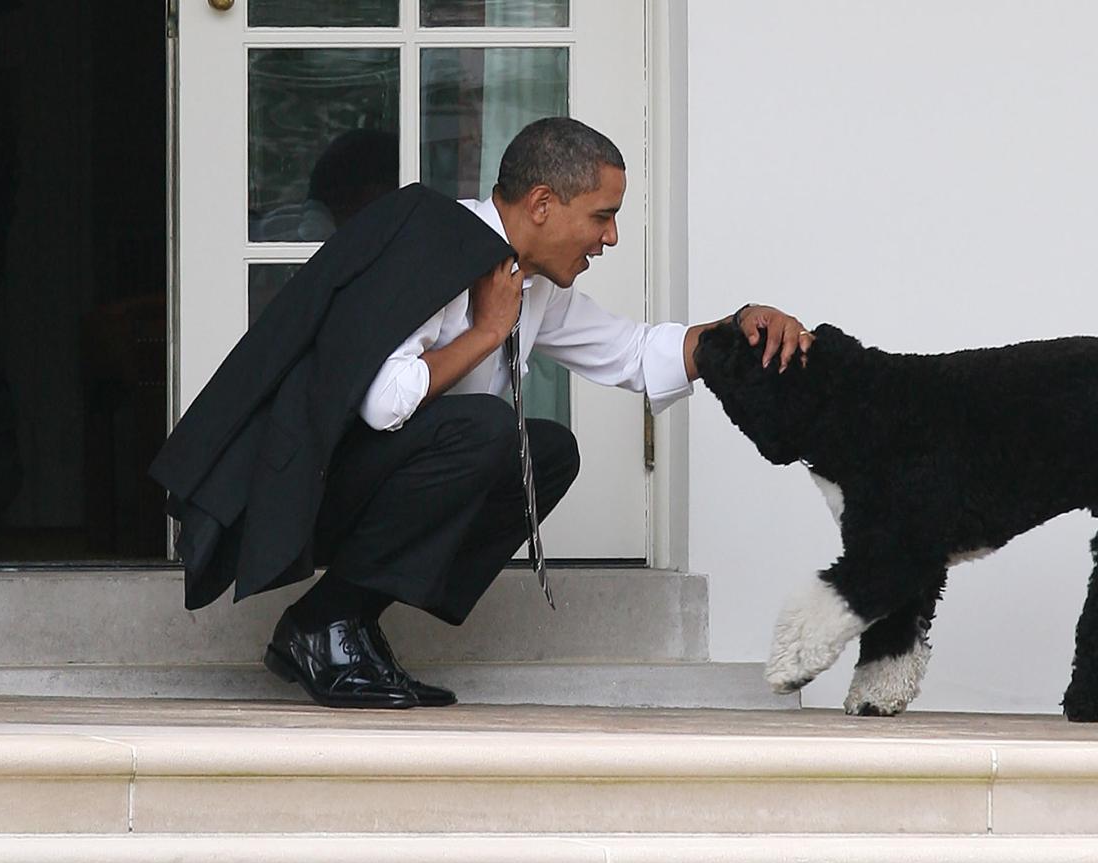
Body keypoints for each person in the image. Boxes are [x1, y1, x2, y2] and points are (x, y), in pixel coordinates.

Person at [153, 117, 812, 709]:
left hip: (368, 485)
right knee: (487, 430)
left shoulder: (528, 281)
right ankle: (323, 627)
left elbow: (634, 353)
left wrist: (740, 326)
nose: (610, 237)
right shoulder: (434, 243)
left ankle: (338, 618)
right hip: (297, 493)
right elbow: (383, 404)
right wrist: (487, 333)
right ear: (544, 204)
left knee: (548, 453)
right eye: (601, 216)